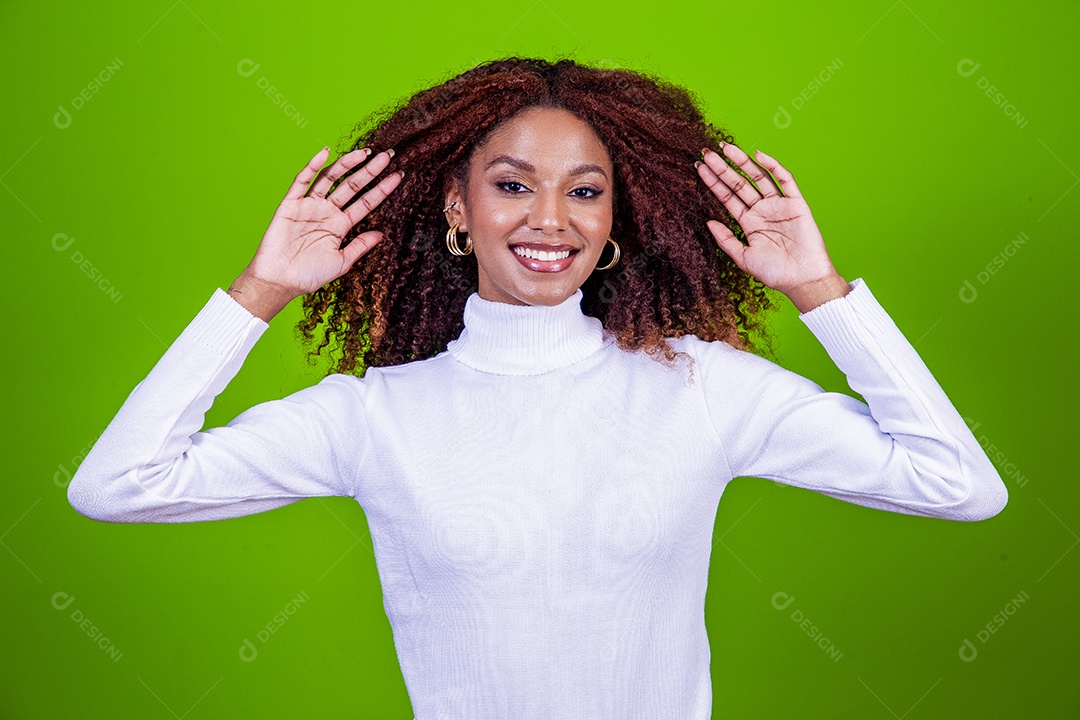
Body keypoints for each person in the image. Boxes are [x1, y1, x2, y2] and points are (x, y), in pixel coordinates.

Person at [67, 57, 1008, 719]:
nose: (550, 218)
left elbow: (959, 485)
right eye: (512, 186)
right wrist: (259, 291)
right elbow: (117, 484)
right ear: (456, 210)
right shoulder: (374, 417)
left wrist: (819, 291)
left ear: (614, 220)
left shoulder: (702, 390)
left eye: (585, 191)